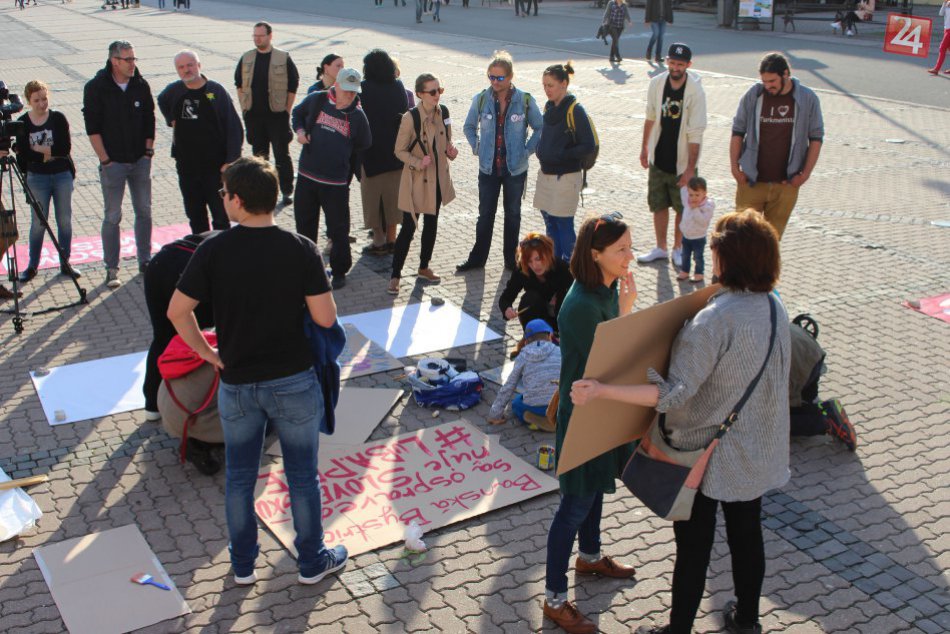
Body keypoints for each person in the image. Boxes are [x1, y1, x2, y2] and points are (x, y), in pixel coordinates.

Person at [571, 209, 791, 634]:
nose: (711, 258)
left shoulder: (714, 319)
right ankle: (747, 621)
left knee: (693, 550)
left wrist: (602, 390)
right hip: (756, 452)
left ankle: (678, 630)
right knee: (748, 536)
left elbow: (672, 393)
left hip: (705, 457)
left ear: (731, 259)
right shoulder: (774, 307)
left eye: (715, 250)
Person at [167, 156, 348, 586]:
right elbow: (326, 319)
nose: (223, 199)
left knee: (240, 479)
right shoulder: (300, 247)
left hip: (238, 383)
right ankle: (310, 561)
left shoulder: (214, 248)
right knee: (303, 477)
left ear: (239, 200)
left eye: (224, 193)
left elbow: (178, 311)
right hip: (294, 380)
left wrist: (207, 354)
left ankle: (243, 565)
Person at [542, 213, 638, 634]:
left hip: (600, 407)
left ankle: (592, 556)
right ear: (595, 254)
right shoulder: (582, 304)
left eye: (630, 247)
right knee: (574, 505)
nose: (629, 257)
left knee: (596, 486)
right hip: (584, 415)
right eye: (621, 250)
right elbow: (610, 358)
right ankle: (554, 599)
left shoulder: (605, 287)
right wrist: (626, 313)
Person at [458, 50, 542, 272]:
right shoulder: (482, 99)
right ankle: (478, 259)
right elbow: (468, 127)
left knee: (512, 216)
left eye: (500, 78)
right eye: (491, 77)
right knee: (485, 215)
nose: (495, 82)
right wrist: (477, 146)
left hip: (515, 169)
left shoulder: (524, 100)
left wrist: (527, 151)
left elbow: (540, 127)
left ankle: (511, 260)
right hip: (488, 168)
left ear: (510, 76)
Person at [142, 231, 218, 475]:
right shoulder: (250, 252)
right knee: (200, 340)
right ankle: (190, 412)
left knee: (162, 336)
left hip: (161, 262)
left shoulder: (235, 238)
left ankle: (151, 404)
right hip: (187, 269)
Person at [83, 39, 156, 289]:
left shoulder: (140, 84)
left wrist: (148, 152)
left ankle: (145, 260)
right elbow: (92, 128)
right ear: (114, 61)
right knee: (113, 216)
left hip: (139, 161)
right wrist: (105, 160)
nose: (133, 64)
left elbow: (150, 119)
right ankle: (112, 268)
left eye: (134, 59)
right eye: (128, 60)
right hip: (113, 164)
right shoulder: (96, 87)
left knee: (144, 211)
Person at [291, 68, 372, 290]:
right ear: (336, 85)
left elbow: (364, 143)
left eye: (354, 92)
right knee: (305, 226)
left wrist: (343, 158)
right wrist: (299, 132)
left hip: (336, 183)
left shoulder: (358, 116)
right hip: (307, 177)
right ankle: (306, 268)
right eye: (346, 90)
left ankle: (339, 271)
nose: (349, 96)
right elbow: (297, 113)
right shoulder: (317, 100)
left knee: (338, 229)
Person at [731, 52, 823, 239]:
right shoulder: (753, 95)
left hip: (786, 185)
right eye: (764, 81)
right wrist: (734, 168)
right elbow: (738, 131)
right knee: (742, 239)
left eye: (772, 81)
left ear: (786, 74)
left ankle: (765, 270)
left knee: (771, 242)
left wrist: (804, 175)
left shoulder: (808, 98)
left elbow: (816, 138)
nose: (768, 86)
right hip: (752, 183)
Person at [636, 43, 706, 268]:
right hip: (659, 156)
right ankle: (660, 247)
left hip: (682, 160)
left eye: (680, 64)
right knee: (658, 204)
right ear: (667, 61)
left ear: (688, 65)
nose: (675, 67)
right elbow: (650, 116)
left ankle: (677, 248)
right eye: (672, 62)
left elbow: (696, 133)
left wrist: (689, 169)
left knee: (681, 207)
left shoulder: (695, 91)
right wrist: (644, 147)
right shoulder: (657, 83)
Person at [158, 50, 243, 234]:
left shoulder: (215, 91)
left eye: (190, 65)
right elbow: (161, 100)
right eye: (181, 67)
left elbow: (233, 127)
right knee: (195, 215)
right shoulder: (174, 91)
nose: (186, 70)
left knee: (220, 215)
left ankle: (220, 254)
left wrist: (231, 161)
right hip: (187, 166)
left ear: (199, 65)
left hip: (215, 167)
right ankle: (200, 252)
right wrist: (171, 119)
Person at [388, 73, 458, 295]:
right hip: (417, 181)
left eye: (439, 90)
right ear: (420, 94)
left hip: (437, 179)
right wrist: (418, 162)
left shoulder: (444, 112)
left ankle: (424, 266)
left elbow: (448, 142)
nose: (437, 95)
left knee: (432, 223)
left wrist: (451, 151)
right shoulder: (411, 118)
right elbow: (398, 151)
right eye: (432, 92)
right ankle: (395, 275)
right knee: (408, 227)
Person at [14, 80, 80, 284]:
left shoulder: (58, 118)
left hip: (61, 176)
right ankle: (32, 266)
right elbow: (23, 154)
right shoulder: (23, 122)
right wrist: (47, 154)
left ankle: (65, 263)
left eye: (44, 98)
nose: (42, 104)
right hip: (37, 178)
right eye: (37, 100)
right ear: (28, 101)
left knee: (64, 221)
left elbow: (64, 148)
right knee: (38, 223)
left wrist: (38, 151)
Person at [534, 62, 595, 263]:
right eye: (544, 85)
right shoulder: (549, 107)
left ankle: (573, 267)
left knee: (563, 224)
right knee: (550, 224)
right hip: (546, 175)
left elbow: (588, 145)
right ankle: (556, 266)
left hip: (566, 177)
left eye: (550, 85)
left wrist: (563, 153)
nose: (547, 90)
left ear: (564, 84)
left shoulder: (575, 110)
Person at [234, 22, 299, 206]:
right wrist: (244, 108)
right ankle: (264, 192)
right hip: (254, 116)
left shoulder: (283, 57)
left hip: (277, 116)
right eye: (255, 36)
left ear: (270, 36)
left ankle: (287, 190)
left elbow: (293, 85)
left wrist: (287, 110)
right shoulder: (246, 57)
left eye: (260, 36)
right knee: (259, 157)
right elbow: (238, 83)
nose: (257, 39)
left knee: (282, 155)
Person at [359, 49, 409, 256]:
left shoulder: (364, 88)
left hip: (371, 150)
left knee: (373, 198)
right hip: (394, 150)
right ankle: (392, 239)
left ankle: (378, 240)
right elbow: (404, 111)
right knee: (393, 198)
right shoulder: (398, 86)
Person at [487, 319, 560, 432]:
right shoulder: (560, 351)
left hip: (536, 407)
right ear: (550, 336)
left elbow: (509, 386)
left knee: (516, 403)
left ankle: (533, 419)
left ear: (526, 341)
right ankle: (558, 420)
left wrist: (494, 415)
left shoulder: (523, 356)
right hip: (558, 405)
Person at [498, 232, 573, 333]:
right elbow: (505, 298)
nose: (535, 265)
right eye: (530, 261)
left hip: (559, 319)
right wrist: (507, 309)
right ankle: (533, 335)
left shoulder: (562, 269)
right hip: (536, 316)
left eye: (538, 259)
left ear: (548, 254)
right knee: (529, 298)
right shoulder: (523, 270)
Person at [676, 176, 715, 283]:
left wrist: (695, 209)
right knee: (685, 255)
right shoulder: (687, 201)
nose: (693, 198)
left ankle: (699, 273)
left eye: (697, 195)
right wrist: (683, 184)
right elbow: (683, 192)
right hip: (686, 235)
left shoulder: (707, 206)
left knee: (698, 257)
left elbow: (703, 221)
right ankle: (685, 271)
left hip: (699, 237)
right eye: (691, 195)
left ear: (704, 193)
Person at [602, 0, 633, 64]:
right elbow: (607, 12)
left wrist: (629, 21)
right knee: (616, 40)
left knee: (615, 41)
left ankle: (611, 57)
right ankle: (618, 56)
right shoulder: (611, 3)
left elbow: (626, 13)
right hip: (612, 25)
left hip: (620, 26)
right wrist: (604, 21)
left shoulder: (624, 5)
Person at [928, 0, 950, 75]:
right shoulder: (947, 3)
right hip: (946, 29)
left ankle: (936, 69)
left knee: (942, 48)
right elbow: (941, 13)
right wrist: (944, 3)